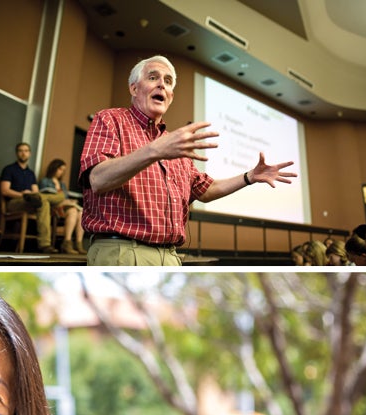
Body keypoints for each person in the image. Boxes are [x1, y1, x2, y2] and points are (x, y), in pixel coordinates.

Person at [79, 55, 297, 266]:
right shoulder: (111, 120)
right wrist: (154, 151)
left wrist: (249, 177)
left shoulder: (174, 145)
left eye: (168, 81)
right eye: (153, 78)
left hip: (171, 256)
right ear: (134, 88)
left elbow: (206, 190)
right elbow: (98, 179)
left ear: (171, 96)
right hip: (122, 253)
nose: (161, 85)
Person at [0, 143, 64, 254]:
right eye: (20, 150)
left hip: (32, 201)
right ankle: (45, 245)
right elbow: (5, 191)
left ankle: (45, 245)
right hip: (14, 202)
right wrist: (23, 195)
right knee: (47, 200)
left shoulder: (31, 173)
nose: (23, 153)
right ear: (17, 153)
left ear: (29, 153)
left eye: (26, 151)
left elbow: (36, 192)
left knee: (43, 201)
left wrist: (32, 195)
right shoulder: (9, 169)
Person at [40, 159, 87, 255]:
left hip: (64, 207)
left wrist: (69, 201)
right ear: (54, 168)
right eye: (60, 169)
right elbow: (46, 197)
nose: (62, 172)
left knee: (81, 213)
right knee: (73, 211)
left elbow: (65, 197)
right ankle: (67, 242)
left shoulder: (62, 184)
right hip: (52, 208)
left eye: (63, 170)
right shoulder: (45, 181)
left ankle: (78, 243)